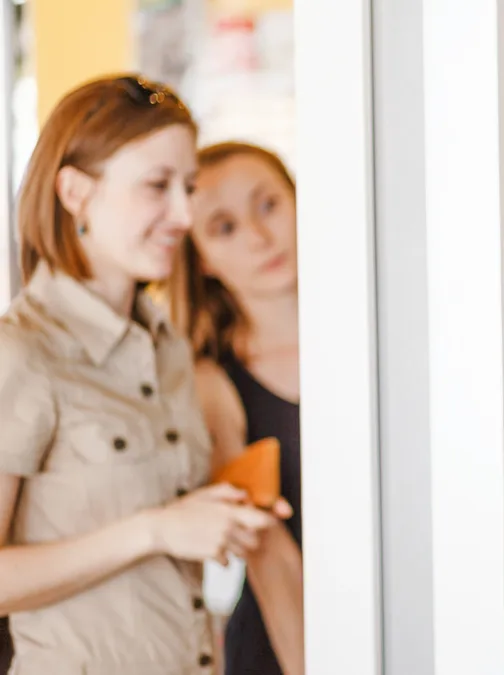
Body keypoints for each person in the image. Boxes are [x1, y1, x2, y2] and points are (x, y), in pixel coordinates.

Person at [0, 75, 288, 674]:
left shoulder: (170, 351)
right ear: (76, 192)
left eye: (188, 188)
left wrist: (221, 512)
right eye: (158, 186)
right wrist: (156, 530)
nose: (183, 214)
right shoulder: (21, 354)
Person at [167, 142, 303, 675]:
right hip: (290, 644)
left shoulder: (389, 333)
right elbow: (269, 557)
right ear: (200, 257)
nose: (259, 237)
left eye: (269, 205)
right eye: (224, 227)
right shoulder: (211, 384)